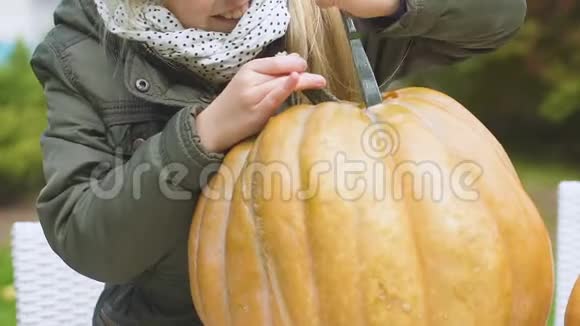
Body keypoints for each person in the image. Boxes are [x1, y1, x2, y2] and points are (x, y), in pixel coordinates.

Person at [30, 0, 526, 324]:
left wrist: (391, 4)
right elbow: (89, 239)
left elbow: (498, 18)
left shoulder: (322, 15)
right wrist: (202, 135)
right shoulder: (83, 52)